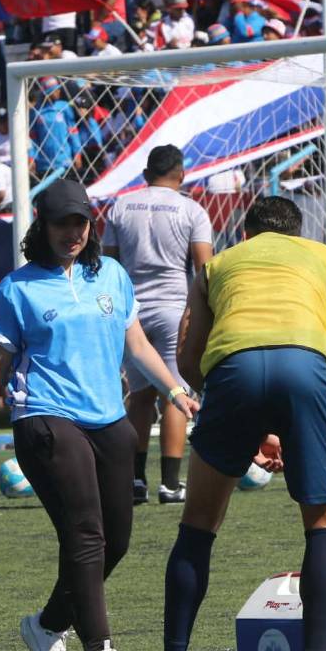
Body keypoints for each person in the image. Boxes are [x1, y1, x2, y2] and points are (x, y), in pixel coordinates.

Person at [0, 178, 198, 651]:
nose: (73, 232)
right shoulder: (17, 288)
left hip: (109, 419)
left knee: (116, 541)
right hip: (44, 417)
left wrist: (175, 390)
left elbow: (138, 346)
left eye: (81, 223)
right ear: (42, 227)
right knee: (85, 533)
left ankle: (47, 626)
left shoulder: (112, 274)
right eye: (62, 223)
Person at [157, 196, 326, 651]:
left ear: (247, 235)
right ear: (298, 234)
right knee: (324, 526)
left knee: (196, 527)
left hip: (231, 370)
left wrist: (241, 412)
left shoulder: (218, 265)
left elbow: (187, 356)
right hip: (307, 368)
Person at [103, 145, 213, 505]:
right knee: (175, 393)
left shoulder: (122, 206)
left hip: (130, 310)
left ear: (146, 174)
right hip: (173, 309)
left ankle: (136, 480)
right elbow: (205, 269)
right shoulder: (191, 210)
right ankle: (170, 483)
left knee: (139, 396)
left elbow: (108, 264)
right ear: (181, 174)